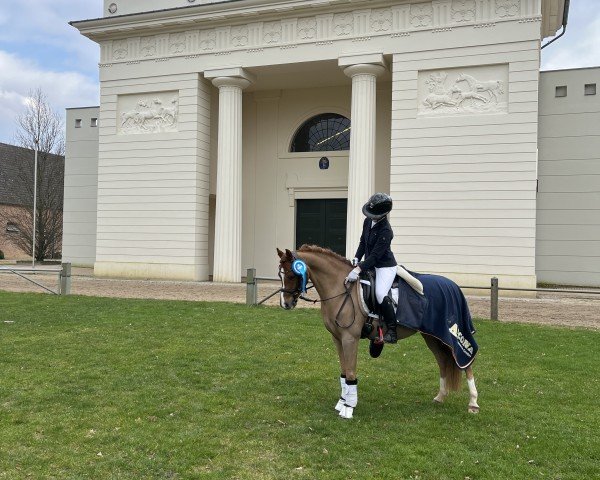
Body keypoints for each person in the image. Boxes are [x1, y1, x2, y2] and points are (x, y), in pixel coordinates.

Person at [345, 193, 398, 343]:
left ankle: (392, 331)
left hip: (384, 266)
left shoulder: (386, 231)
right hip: (369, 263)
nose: (371, 216)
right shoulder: (368, 221)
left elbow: (375, 256)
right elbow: (363, 242)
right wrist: (356, 257)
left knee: (380, 293)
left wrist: (358, 269)